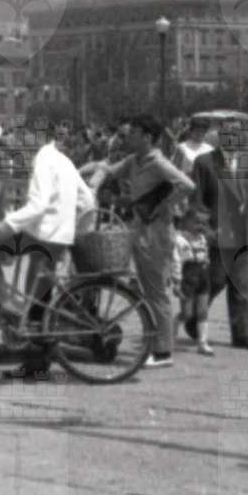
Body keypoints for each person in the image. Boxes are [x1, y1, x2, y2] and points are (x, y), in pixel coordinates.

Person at [0, 118, 94, 379]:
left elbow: (38, 205)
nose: (18, 143)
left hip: (42, 236)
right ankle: (36, 363)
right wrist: (70, 227)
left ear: (36, 137)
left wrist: (6, 224)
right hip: (55, 237)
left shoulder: (43, 161)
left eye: (22, 137)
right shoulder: (62, 160)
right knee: (37, 301)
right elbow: (88, 200)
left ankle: (2, 302)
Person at [97, 113, 196, 368]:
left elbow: (187, 185)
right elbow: (109, 171)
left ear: (148, 138)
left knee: (157, 291)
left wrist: (163, 205)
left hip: (157, 233)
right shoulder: (134, 160)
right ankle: (155, 342)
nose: (128, 137)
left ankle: (163, 352)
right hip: (140, 229)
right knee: (145, 289)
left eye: (133, 133)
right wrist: (86, 174)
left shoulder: (158, 162)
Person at [191, 123, 248, 351]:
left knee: (241, 284)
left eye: (240, 134)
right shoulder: (204, 162)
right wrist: (203, 228)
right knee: (215, 280)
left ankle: (243, 334)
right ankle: (193, 317)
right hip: (217, 230)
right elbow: (197, 199)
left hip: (243, 230)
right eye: (230, 134)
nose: (236, 139)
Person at [173, 205, 214, 357]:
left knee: (203, 311)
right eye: (197, 222)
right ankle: (172, 330)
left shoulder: (202, 238)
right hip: (188, 277)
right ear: (186, 221)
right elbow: (177, 261)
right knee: (187, 313)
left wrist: (206, 260)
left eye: (204, 223)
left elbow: (205, 253)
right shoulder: (180, 240)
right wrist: (177, 281)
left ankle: (202, 342)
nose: (200, 226)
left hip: (203, 276)